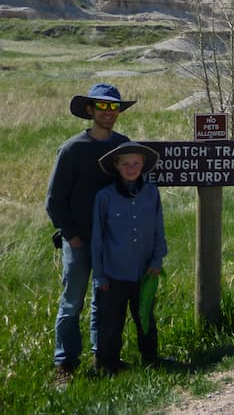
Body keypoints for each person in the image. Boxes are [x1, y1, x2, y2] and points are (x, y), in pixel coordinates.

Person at [45, 83, 135, 381]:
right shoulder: (72, 149)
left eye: (114, 107)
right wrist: (71, 236)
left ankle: (104, 358)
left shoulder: (123, 146)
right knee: (72, 301)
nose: (109, 112)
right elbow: (54, 201)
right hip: (79, 240)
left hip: (111, 241)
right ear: (89, 110)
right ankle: (65, 364)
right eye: (102, 106)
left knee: (105, 301)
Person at [92, 142, 167, 374]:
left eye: (136, 163)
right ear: (116, 165)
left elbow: (159, 229)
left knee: (145, 317)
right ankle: (108, 365)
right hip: (114, 271)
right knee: (111, 321)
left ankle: (151, 359)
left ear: (143, 165)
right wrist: (99, 275)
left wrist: (157, 260)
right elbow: (97, 238)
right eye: (125, 163)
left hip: (144, 270)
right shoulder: (104, 197)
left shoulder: (151, 193)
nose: (131, 168)